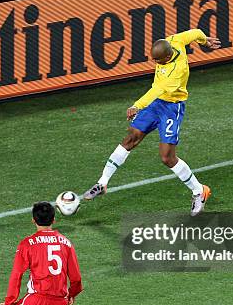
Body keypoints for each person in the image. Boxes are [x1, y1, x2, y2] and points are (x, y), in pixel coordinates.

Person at [83, 30, 221, 216]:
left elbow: (157, 89)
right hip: (155, 104)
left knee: (167, 157)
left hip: (172, 107)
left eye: (158, 61)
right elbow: (195, 32)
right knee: (131, 138)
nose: (155, 63)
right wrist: (205, 41)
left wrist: (137, 106)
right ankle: (102, 183)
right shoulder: (174, 40)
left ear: (167, 56)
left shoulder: (176, 70)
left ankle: (199, 191)